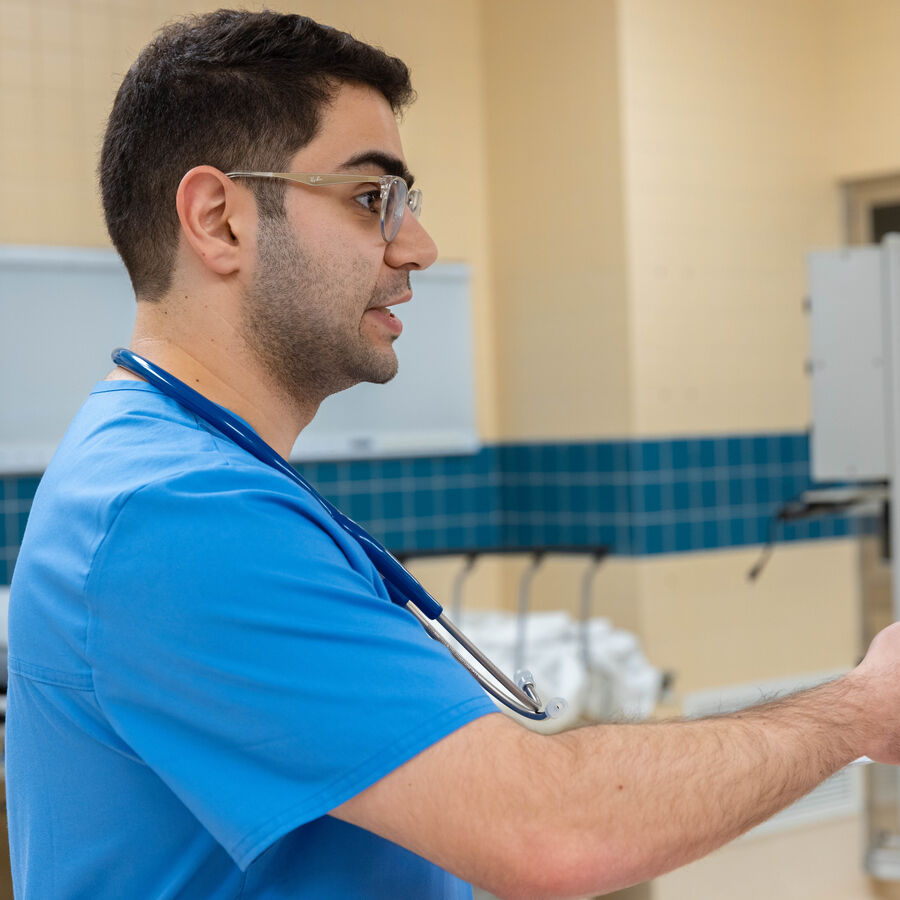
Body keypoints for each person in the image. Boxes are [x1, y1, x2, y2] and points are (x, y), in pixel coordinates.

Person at [7, 8, 900, 899]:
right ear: (219, 220)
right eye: (370, 199)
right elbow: (550, 829)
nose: (419, 249)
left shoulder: (180, 475)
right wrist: (862, 707)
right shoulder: (173, 515)